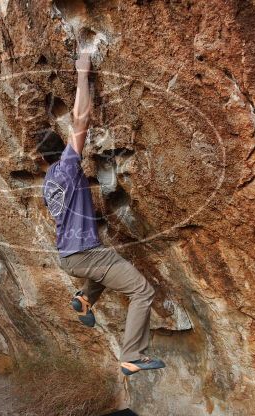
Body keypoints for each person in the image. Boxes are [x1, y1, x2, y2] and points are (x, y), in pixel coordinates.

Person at [41, 53, 165, 376]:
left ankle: (84, 299)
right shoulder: (67, 167)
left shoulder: (47, 182)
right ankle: (132, 355)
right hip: (84, 254)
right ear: (63, 149)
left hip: (69, 256)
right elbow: (81, 119)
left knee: (106, 264)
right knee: (142, 290)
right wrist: (83, 74)